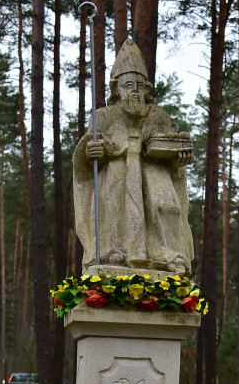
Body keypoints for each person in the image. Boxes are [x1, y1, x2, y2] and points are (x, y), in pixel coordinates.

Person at [73, 38, 194, 275]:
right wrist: (91, 152)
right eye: (129, 85)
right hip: (117, 172)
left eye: (140, 86)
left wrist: (178, 161)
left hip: (154, 174)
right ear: (116, 88)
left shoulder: (158, 116)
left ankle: (166, 254)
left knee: (164, 200)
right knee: (113, 193)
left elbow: (171, 158)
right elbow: (87, 155)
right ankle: (113, 251)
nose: (135, 92)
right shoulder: (103, 117)